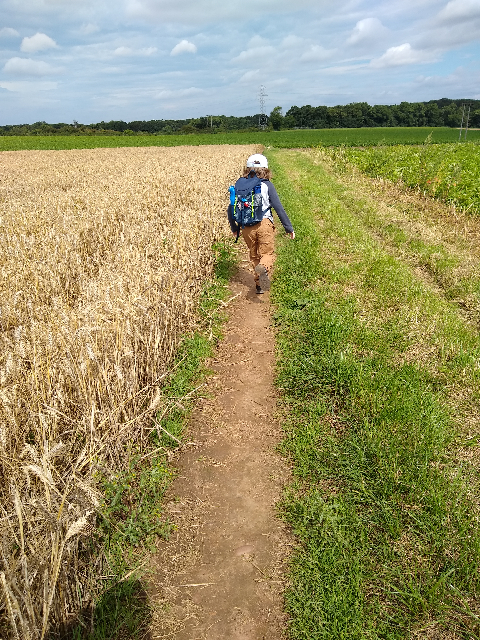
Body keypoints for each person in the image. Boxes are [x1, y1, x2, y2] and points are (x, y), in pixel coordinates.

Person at [228, 153, 295, 294]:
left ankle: (259, 286)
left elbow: (231, 207)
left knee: (254, 255)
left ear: (247, 168)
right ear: (266, 169)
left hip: (246, 226)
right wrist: (288, 227)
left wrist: (235, 228)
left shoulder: (240, 185)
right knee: (267, 254)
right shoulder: (267, 185)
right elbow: (278, 207)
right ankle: (263, 268)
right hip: (264, 223)